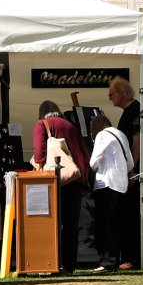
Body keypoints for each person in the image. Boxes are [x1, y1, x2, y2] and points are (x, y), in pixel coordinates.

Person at [32, 100, 90, 274]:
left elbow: (39, 152)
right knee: (71, 225)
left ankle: (51, 262)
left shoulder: (42, 125)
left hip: (55, 181)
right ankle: (69, 265)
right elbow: (84, 154)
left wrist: (38, 171)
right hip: (75, 180)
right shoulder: (70, 125)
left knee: (51, 222)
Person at [87, 113, 132, 274]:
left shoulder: (102, 135)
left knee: (103, 225)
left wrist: (95, 168)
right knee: (115, 225)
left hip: (106, 184)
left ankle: (106, 262)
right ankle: (114, 260)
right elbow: (130, 163)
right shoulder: (121, 135)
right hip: (121, 185)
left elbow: (93, 162)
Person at [107, 75, 143, 269]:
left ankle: (131, 258)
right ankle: (129, 256)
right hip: (131, 170)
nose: (110, 97)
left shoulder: (134, 111)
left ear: (120, 94)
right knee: (127, 214)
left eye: (111, 94)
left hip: (133, 172)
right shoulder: (131, 111)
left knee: (129, 215)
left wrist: (131, 169)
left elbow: (136, 142)